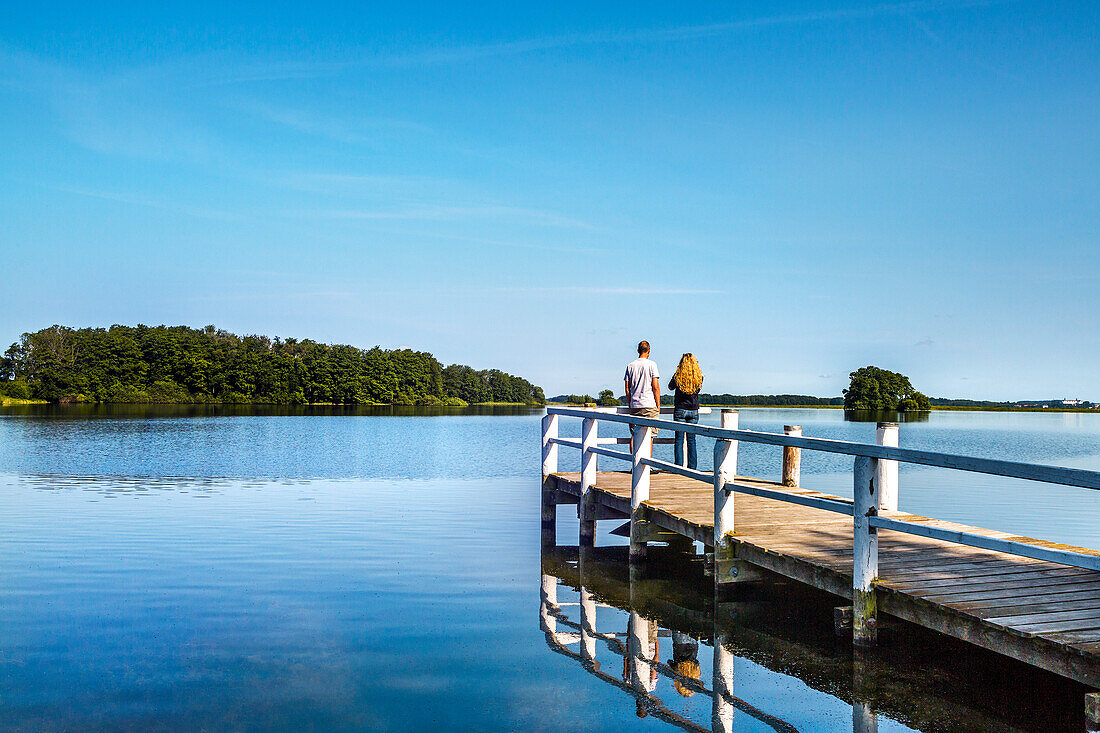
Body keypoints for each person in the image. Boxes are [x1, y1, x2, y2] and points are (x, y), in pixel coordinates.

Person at [668, 353, 703, 469]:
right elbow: (698, 388)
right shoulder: (699, 376)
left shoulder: (678, 376)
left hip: (680, 409)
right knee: (691, 440)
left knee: (679, 439)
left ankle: (678, 466)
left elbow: (670, 387)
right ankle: (692, 467)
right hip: (693, 410)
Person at [624, 341, 660, 446]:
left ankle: (633, 460)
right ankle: (646, 461)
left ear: (638, 351)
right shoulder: (652, 365)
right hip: (649, 405)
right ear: (649, 351)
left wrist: (630, 403)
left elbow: (627, 388)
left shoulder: (630, 365)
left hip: (635, 405)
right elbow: (655, 387)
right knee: (650, 437)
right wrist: (658, 405)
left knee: (634, 435)